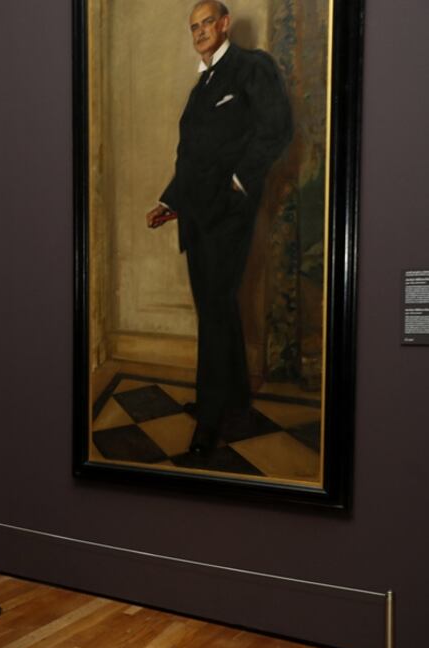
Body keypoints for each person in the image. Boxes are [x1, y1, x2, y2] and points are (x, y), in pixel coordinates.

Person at [145, 0, 292, 453]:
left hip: (227, 215)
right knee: (217, 310)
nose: (200, 32)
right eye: (194, 27)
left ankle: (210, 418)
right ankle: (233, 402)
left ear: (225, 24)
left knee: (215, 309)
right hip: (196, 216)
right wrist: (170, 200)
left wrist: (238, 183)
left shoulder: (252, 67)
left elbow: (277, 128)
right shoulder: (202, 85)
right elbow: (192, 158)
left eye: (207, 22)